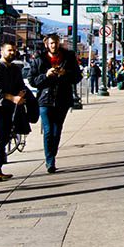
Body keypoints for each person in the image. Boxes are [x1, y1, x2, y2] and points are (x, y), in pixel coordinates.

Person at [29, 33, 81, 173]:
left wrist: (65, 73)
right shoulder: (39, 59)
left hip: (62, 99)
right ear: (47, 44)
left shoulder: (69, 57)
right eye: (51, 43)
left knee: (57, 131)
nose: (54, 45)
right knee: (48, 131)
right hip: (45, 100)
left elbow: (77, 77)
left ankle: (52, 156)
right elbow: (32, 80)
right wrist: (46, 75)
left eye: (56, 43)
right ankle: (49, 161)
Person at [0, 38, 26, 182]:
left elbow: (21, 85)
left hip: (8, 108)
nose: (12, 52)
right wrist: (13, 98)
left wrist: (21, 93)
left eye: (14, 50)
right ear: (2, 52)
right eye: (9, 50)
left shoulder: (14, 68)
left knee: (4, 139)